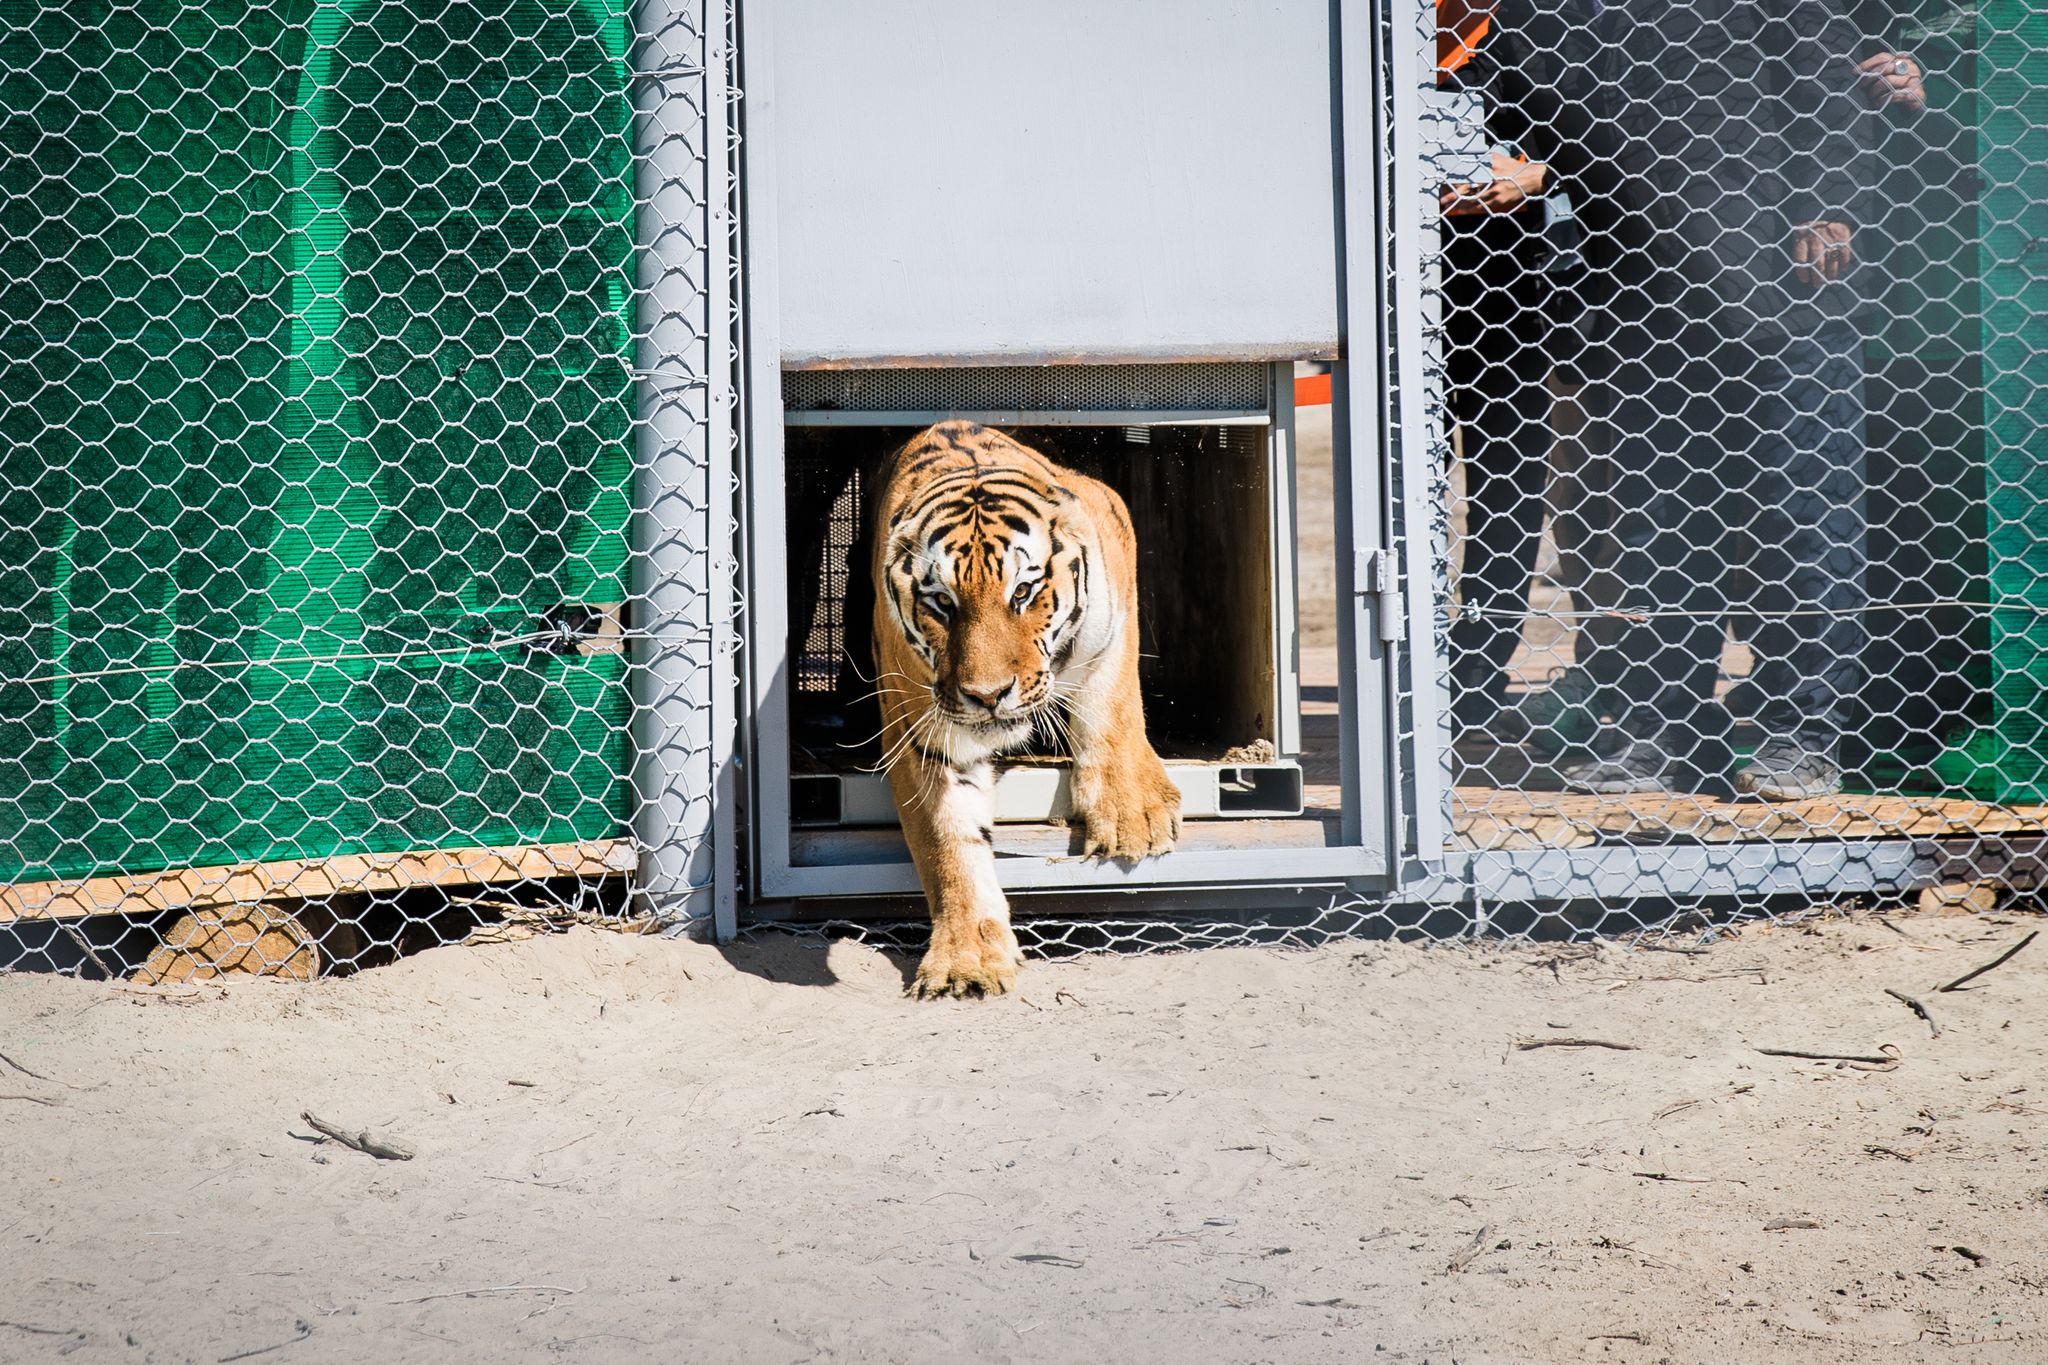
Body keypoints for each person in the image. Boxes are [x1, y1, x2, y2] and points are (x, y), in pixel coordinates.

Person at [1540, 0, 1879, 798]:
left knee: (1803, 514)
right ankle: (1665, 733)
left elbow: (1821, 56)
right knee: (1659, 530)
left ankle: (1805, 732)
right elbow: (1546, 83)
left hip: (1783, 276)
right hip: (1647, 284)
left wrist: (1828, 197)